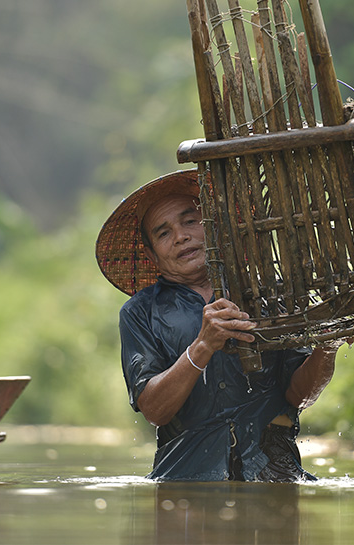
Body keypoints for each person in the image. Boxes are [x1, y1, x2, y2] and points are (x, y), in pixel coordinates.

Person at [96, 170, 339, 481]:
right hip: (183, 482)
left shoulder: (271, 293)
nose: (181, 236)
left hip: (275, 477)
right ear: (151, 255)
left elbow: (299, 395)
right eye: (164, 233)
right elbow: (155, 410)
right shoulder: (140, 312)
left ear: (214, 225)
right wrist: (203, 345)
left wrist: (327, 345)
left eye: (190, 221)